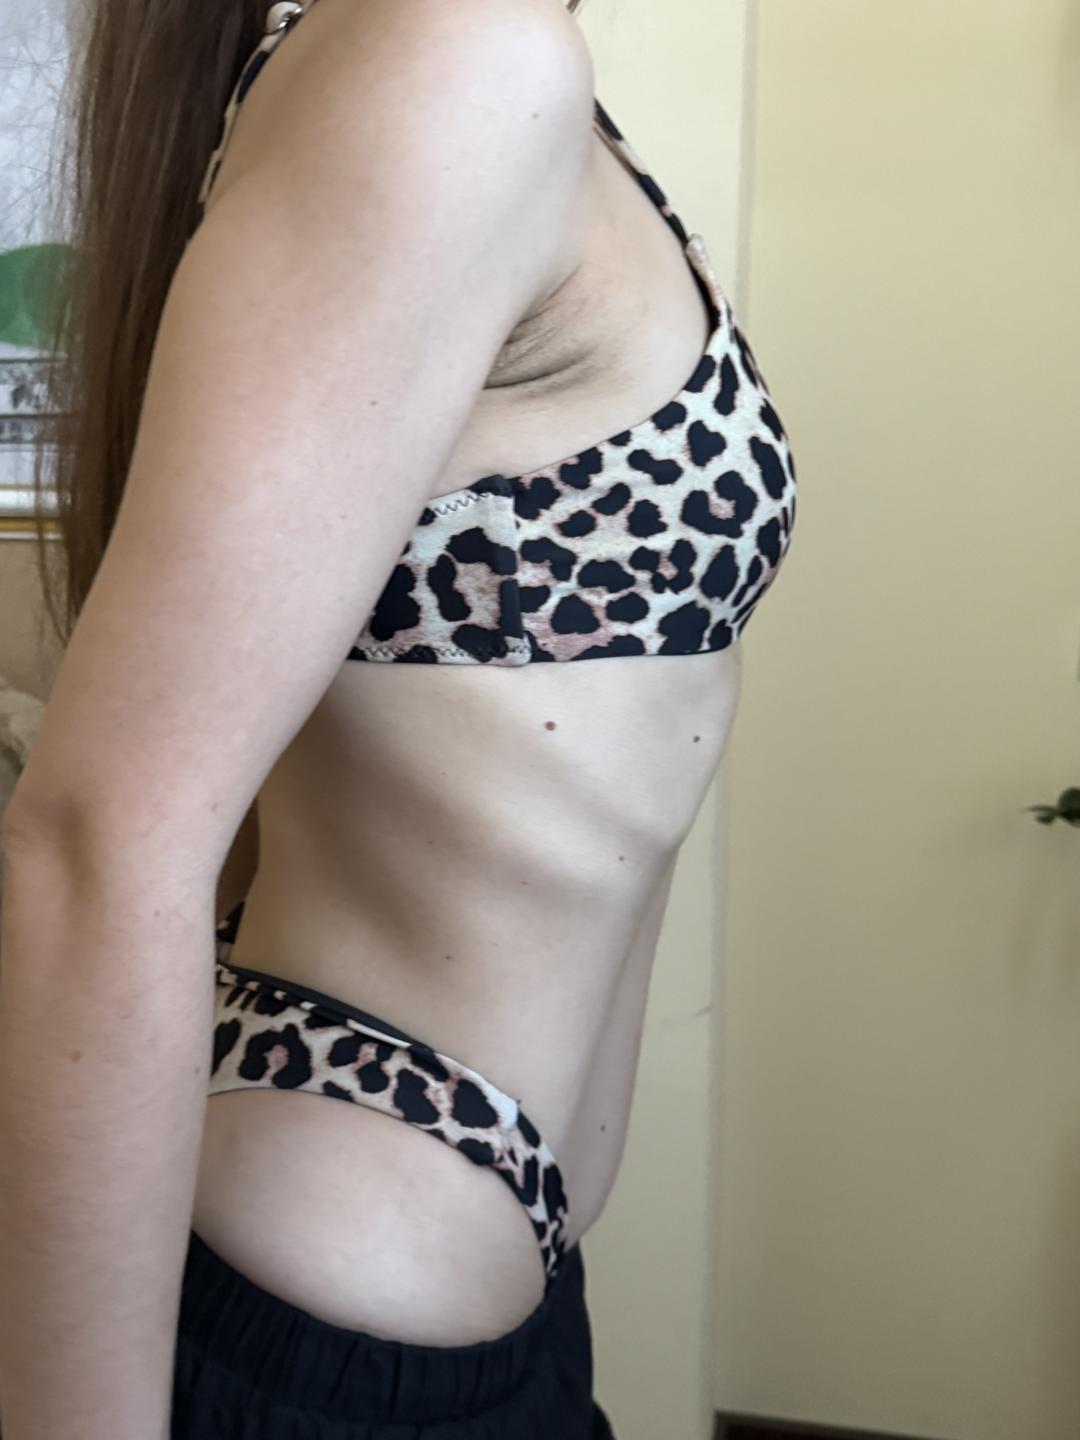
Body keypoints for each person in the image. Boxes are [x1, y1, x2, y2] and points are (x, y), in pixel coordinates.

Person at [0, 0, 797, 1434]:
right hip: (341, 1286)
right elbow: (92, 842)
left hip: (462, 1273)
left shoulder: (481, 70)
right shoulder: (455, 52)